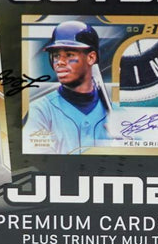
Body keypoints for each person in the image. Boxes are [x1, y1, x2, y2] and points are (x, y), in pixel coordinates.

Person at [25, 20, 109, 153]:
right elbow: (39, 161)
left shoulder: (115, 113)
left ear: (91, 58)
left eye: (69, 55)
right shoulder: (40, 111)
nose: (60, 62)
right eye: (56, 55)